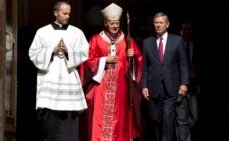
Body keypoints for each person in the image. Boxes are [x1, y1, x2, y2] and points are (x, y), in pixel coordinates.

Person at [79, 2, 142, 141]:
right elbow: (88, 61)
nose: (115, 26)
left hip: (121, 86)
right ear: (106, 23)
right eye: (112, 23)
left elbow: (139, 60)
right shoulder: (96, 39)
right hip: (101, 85)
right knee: (100, 116)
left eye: (117, 23)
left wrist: (132, 57)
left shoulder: (127, 39)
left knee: (120, 117)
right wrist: (104, 60)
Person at [28, 1, 89, 141]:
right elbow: (33, 53)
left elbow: (85, 52)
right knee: (50, 120)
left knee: (70, 119)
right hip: (50, 78)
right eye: (64, 13)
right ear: (55, 13)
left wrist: (69, 51)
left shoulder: (76, 32)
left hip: (69, 79)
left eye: (69, 13)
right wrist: (51, 51)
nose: (68, 16)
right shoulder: (43, 32)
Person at [140, 12, 189, 141]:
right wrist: (144, 86)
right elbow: (145, 67)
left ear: (167, 24)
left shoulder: (177, 40)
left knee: (168, 117)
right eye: (156, 23)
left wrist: (184, 83)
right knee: (155, 118)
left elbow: (184, 64)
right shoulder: (147, 43)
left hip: (172, 85)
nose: (158, 25)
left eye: (161, 23)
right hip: (153, 86)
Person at [175, 21, 199, 141]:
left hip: (194, 87)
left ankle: (182, 131)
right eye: (185, 29)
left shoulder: (198, 46)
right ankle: (183, 136)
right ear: (180, 31)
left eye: (190, 29)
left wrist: (197, 68)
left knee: (194, 118)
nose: (187, 32)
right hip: (180, 86)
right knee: (182, 118)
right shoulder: (176, 46)